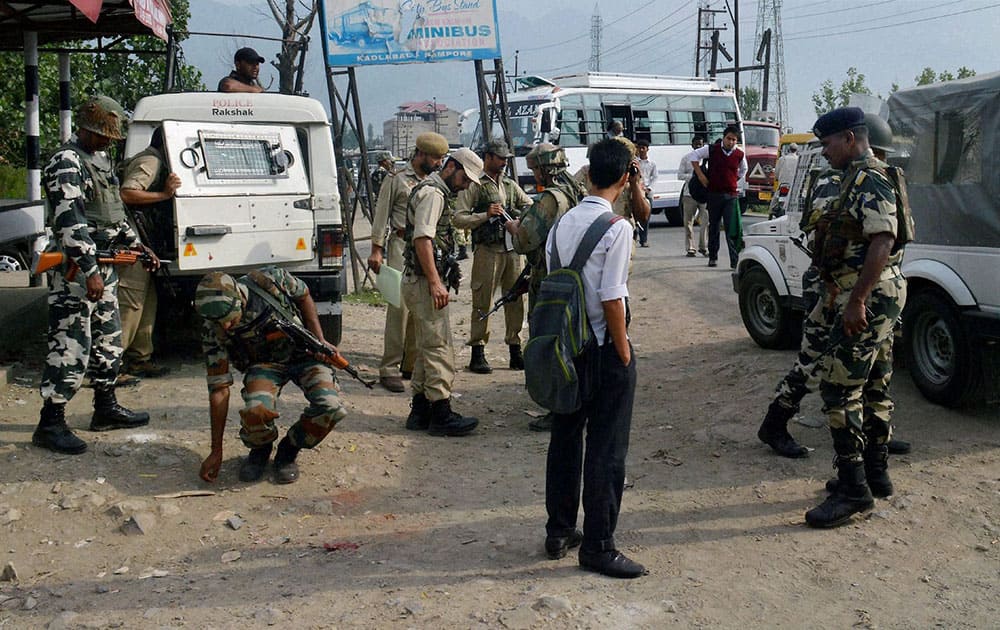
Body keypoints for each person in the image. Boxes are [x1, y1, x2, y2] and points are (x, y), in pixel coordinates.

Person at [758, 114, 912, 461]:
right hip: (831, 287)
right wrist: (852, 294)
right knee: (815, 360)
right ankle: (776, 420)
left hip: (863, 288)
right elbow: (834, 235)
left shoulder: (875, 178)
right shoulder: (834, 181)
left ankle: (877, 436)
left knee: (875, 364)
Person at [543, 138, 645, 579]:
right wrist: (623, 353)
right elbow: (611, 297)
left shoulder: (560, 225)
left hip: (564, 349)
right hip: (602, 350)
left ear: (586, 175)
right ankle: (599, 545)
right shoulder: (616, 228)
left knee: (565, 439)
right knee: (607, 448)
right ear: (625, 179)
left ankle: (560, 529)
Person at [804, 107, 910, 528]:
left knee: (838, 388)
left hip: (867, 295)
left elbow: (882, 240)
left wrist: (856, 301)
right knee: (876, 381)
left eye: (828, 144)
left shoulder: (869, 177)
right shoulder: (862, 176)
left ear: (850, 138)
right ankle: (876, 473)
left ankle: (853, 490)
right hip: (874, 294)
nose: (825, 152)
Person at [33, 95, 155, 455]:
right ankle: (50, 422)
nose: (108, 142)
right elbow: (70, 222)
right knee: (70, 343)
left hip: (105, 266)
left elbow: (113, 214)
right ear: (87, 129)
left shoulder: (99, 160)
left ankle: (106, 407)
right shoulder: (66, 163)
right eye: (103, 135)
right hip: (78, 271)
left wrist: (139, 247)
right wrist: (89, 270)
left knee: (108, 339)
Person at [194, 267, 348, 485]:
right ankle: (260, 450)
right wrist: (215, 450)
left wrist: (319, 339)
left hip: (304, 354)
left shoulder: (270, 280)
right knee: (255, 409)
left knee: (331, 407)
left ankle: (289, 449)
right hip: (264, 364)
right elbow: (219, 389)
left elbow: (304, 296)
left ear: (239, 299)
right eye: (220, 322)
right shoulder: (213, 327)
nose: (225, 326)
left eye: (230, 319)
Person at [401, 148, 484, 437]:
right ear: (451, 167)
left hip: (420, 281)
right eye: (465, 177)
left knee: (427, 346)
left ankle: (420, 410)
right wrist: (436, 282)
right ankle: (441, 414)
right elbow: (422, 239)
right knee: (438, 346)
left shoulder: (433, 191)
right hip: (424, 283)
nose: (466, 185)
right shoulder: (434, 194)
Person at [507, 143, 588, 432]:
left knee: (548, 341)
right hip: (572, 278)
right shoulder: (576, 191)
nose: (534, 175)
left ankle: (558, 407)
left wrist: (514, 228)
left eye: (534, 169)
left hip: (549, 280)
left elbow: (524, 241)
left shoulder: (550, 199)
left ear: (544, 168)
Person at [368, 133, 448, 393]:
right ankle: (389, 367)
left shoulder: (435, 183)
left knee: (420, 304)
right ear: (421, 154)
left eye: (441, 159)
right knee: (399, 307)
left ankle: (410, 363)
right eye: (435, 157)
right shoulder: (397, 179)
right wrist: (376, 249)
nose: (438, 163)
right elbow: (382, 213)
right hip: (400, 245)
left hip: (423, 248)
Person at [453, 139, 533, 374]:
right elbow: (459, 217)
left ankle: (515, 350)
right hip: (487, 251)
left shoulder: (508, 184)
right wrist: (485, 216)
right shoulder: (475, 184)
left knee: (516, 300)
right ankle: (478, 351)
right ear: (487, 157)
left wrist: (515, 218)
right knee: (482, 300)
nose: (504, 162)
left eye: (507, 158)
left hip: (511, 251)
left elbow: (528, 204)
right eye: (500, 158)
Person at [117, 127, 180, 379]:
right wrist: (164, 194)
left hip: (144, 245)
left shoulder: (157, 161)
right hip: (131, 242)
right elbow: (127, 193)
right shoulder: (150, 161)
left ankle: (139, 358)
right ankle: (112, 365)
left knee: (147, 301)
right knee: (130, 303)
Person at [687, 125, 747, 268]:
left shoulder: (739, 154)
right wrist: (701, 176)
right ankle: (713, 256)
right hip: (714, 194)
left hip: (731, 195)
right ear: (724, 137)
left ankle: (734, 260)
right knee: (714, 226)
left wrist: (732, 180)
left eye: (734, 140)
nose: (731, 142)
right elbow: (693, 156)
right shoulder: (712, 149)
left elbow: (743, 170)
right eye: (728, 139)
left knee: (730, 227)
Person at [678, 135, 709, 257]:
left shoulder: (707, 160)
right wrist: (696, 177)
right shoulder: (686, 159)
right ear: (692, 145)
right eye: (695, 144)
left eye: (700, 144)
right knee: (688, 222)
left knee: (706, 222)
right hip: (689, 194)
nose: (698, 146)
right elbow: (680, 175)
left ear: (703, 145)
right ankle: (690, 248)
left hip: (705, 195)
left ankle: (703, 247)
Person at [634, 139, 656, 248]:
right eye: (639, 148)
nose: (641, 150)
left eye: (643, 148)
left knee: (645, 217)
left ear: (648, 149)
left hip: (647, 192)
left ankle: (644, 239)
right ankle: (634, 237)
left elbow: (655, 177)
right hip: (637, 191)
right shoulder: (634, 162)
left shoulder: (652, 163)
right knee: (634, 216)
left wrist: (649, 188)